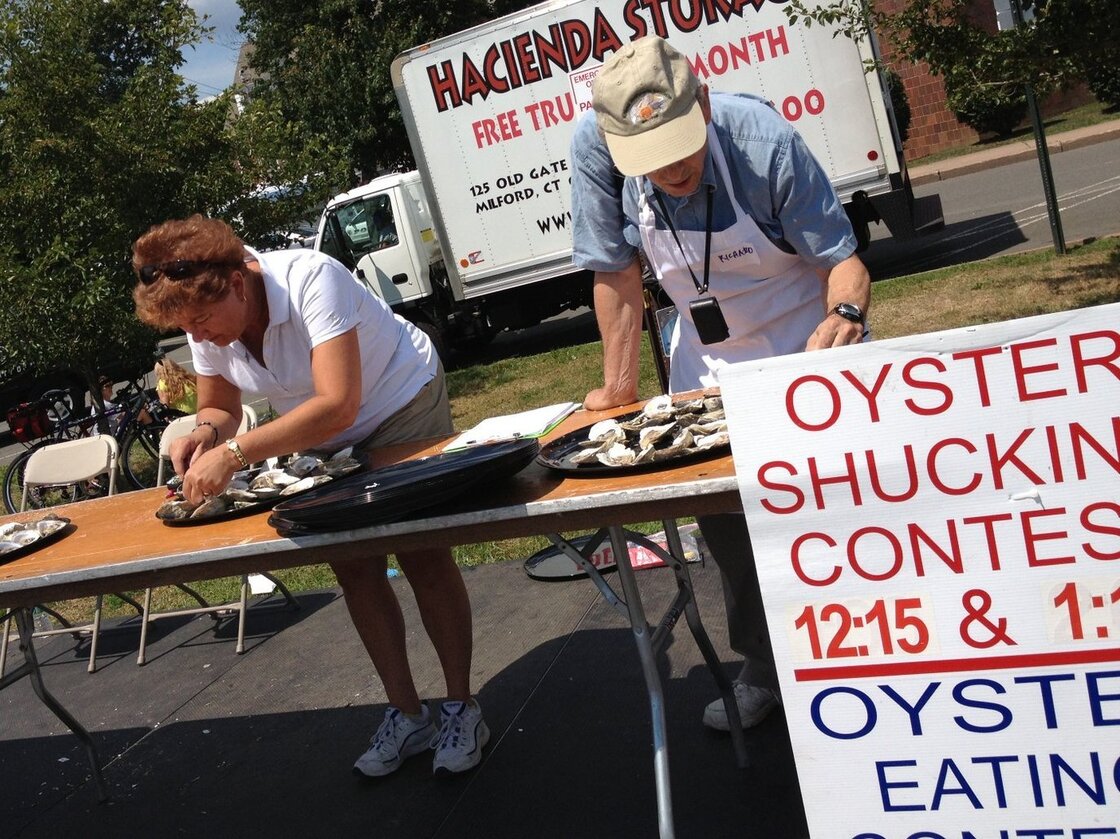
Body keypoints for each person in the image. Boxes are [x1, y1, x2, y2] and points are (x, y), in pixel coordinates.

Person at [571, 37, 871, 732]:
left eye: (682, 144)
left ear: (702, 102)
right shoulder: (594, 149)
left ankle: (865, 657)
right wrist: (618, 387)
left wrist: (845, 316)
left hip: (804, 347)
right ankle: (765, 668)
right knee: (731, 540)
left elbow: (844, 261)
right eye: (651, 158)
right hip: (707, 369)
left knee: (832, 524)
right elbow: (614, 273)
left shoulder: (758, 137)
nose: (673, 168)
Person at [131, 215, 488, 777]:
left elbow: (339, 404)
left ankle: (461, 706)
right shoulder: (205, 318)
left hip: (400, 401)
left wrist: (236, 453)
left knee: (419, 549)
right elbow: (220, 406)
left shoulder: (312, 278)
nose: (197, 337)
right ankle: (407, 713)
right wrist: (204, 434)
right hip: (319, 429)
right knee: (353, 566)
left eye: (201, 322)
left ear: (237, 283)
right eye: (186, 328)